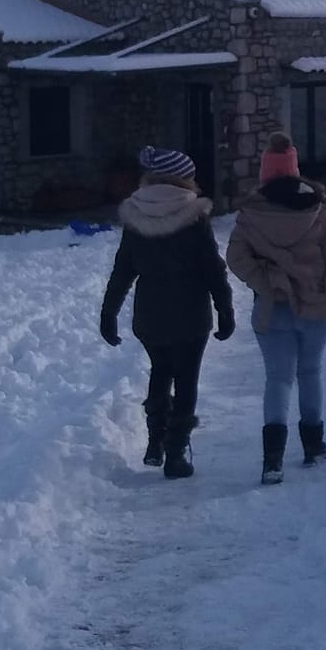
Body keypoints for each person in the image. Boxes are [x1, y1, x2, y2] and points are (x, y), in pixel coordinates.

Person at [226, 131, 326, 485]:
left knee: (278, 379)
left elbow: (235, 258)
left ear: (265, 172)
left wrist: (266, 281)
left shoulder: (251, 213)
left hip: (272, 309)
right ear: (295, 170)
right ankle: (313, 446)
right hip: (316, 307)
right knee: (310, 373)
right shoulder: (319, 211)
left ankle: (272, 461)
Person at [100, 146, 235, 480]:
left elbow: (123, 270)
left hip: (150, 313)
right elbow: (212, 268)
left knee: (160, 370)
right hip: (191, 313)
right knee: (186, 379)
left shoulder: (135, 215)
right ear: (184, 179)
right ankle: (176, 453)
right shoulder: (195, 216)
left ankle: (154, 441)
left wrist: (109, 312)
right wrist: (224, 308)